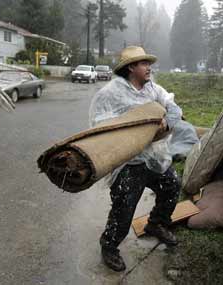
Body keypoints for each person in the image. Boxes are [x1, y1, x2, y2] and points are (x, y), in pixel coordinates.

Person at [89, 46, 183, 272]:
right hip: (128, 163)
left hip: (152, 158)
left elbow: (173, 107)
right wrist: (138, 126)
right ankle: (109, 246)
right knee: (124, 208)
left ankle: (156, 224)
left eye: (148, 63)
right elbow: (100, 124)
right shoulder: (112, 93)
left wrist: (165, 120)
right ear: (131, 67)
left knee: (171, 185)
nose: (149, 68)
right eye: (144, 64)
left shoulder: (152, 88)